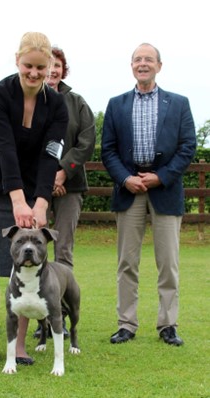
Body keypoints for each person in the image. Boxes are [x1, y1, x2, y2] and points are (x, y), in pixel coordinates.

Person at [0, 32, 68, 366]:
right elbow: (5, 149)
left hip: (32, 190)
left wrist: (41, 202)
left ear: (50, 66)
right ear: (17, 62)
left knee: (26, 265)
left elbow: (51, 156)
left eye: (40, 67)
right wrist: (18, 201)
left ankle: (18, 346)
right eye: (28, 66)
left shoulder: (58, 106)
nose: (34, 74)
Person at [101, 43, 196, 346]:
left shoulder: (179, 103)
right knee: (127, 263)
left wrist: (161, 177)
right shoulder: (116, 104)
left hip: (165, 189)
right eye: (138, 59)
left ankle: (167, 324)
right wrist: (126, 178)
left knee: (168, 262)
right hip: (130, 190)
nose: (143, 64)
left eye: (148, 59)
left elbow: (187, 147)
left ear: (159, 65)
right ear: (131, 66)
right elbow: (108, 150)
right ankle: (126, 324)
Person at [33, 47, 96, 339]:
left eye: (58, 66)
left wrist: (63, 171)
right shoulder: (30, 100)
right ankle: (39, 316)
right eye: (49, 66)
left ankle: (61, 312)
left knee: (64, 249)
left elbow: (86, 140)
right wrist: (47, 177)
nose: (53, 71)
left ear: (63, 69)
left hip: (70, 184)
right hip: (38, 186)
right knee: (35, 244)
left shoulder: (77, 102)